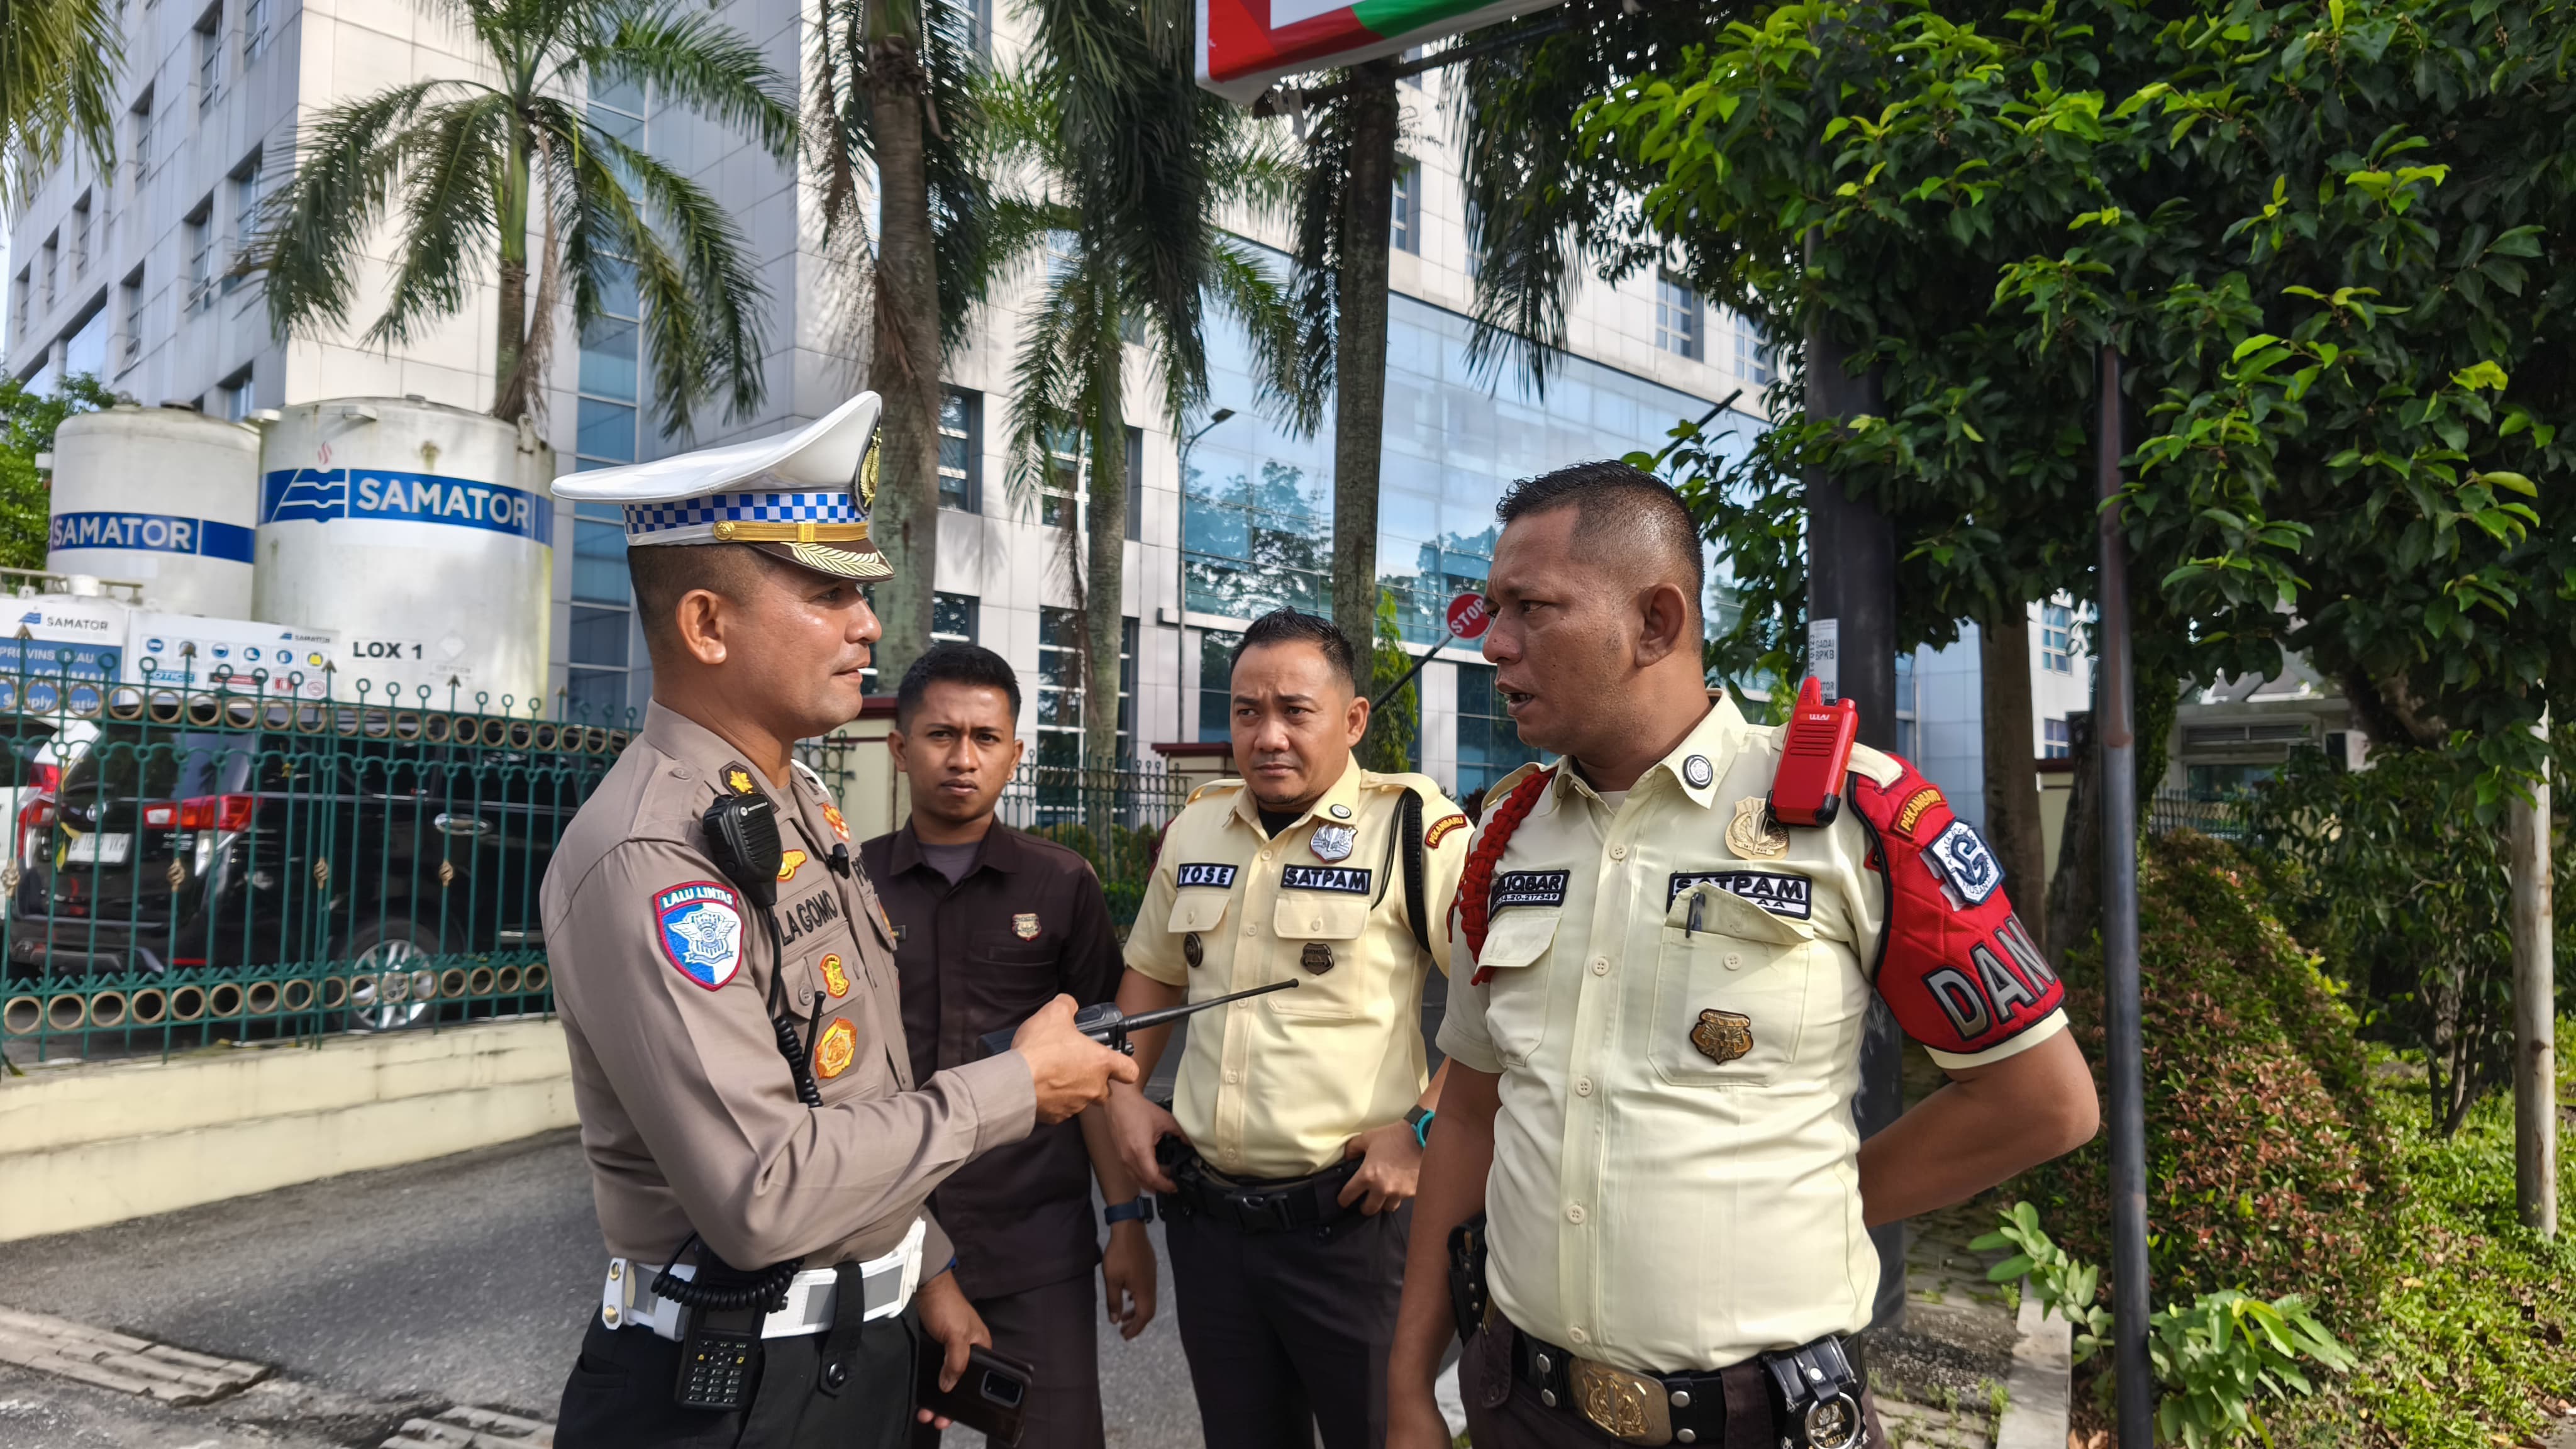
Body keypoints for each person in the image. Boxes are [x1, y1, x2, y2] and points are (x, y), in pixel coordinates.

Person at [1385, 461, 2102, 1449]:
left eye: (1532, 608)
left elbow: (2043, 1100)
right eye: (1490, 608)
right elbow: (1467, 1114)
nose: (1494, 644)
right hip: (1521, 1406)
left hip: (1760, 1423)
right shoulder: (1507, 835)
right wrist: (1409, 1382)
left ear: (1657, 623)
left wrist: (1815, 1202)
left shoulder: (1857, 813)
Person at [540, 391, 1137, 1449]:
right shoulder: (654, 851)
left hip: (851, 1353)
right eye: (827, 593)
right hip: (728, 1390)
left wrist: (925, 1260)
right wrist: (1018, 1086)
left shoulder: (796, 806)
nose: (869, 621)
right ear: (707, 624)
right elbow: (763, 1189)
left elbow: (854, 1083)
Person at [1101, 608, 1472, 1449]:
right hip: (1211, 1230)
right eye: (1245, 711)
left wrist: (1421, 1129)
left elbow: (1509, 1005)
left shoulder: (1413, 830)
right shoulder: (1199, 824)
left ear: (1352, 720)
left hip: (1350, 1230)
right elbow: (1153, 975)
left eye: (1295, 712)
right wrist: (1122, 1091)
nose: (1267, 735)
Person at [860, 642, 1158, 1449]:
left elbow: (1096, 1069)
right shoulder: (850, 888)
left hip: (1034, 1246)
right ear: (898, 746)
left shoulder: (1060, 885)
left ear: (1016, 752)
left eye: (986, 738)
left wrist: (1125, 1221)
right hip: (882, 1242)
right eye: (940, 735)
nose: (963, 758)